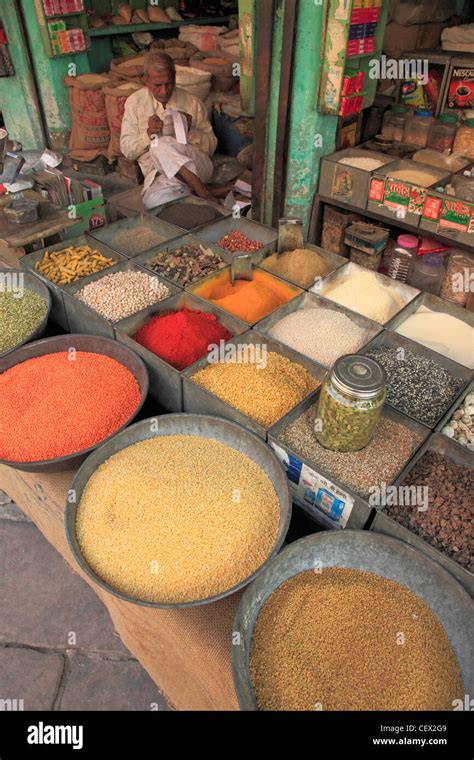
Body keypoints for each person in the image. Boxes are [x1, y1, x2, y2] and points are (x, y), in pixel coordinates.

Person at [120, 51, 218, 209]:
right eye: (157, 85)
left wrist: (190, 130)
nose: (164, 91)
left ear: (174, 77)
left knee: (159, 144)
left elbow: (212, 147)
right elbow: (127, 150)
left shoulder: (193, 102)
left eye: (169, 83)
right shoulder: (135, 103)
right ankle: (197, 192)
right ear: (146, 80)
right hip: (161, 177)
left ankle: (202, 192)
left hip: (197, 168)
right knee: (154, 202)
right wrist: (148, 135)